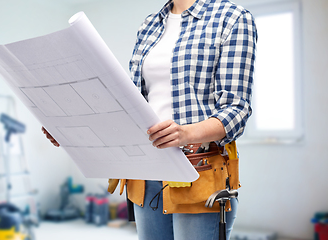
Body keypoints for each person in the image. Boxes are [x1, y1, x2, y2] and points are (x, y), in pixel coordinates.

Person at [43, 0, 257, 239]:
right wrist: (71, 131)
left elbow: (236, 110)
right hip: (146, 173)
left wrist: (185, 133)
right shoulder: (150, 25)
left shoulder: (233, 18)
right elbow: (130, 108)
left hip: (199, 173)